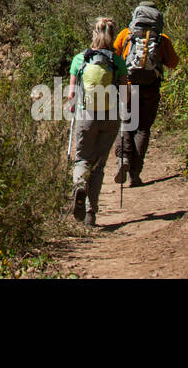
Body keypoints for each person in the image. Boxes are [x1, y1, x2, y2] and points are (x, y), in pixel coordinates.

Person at [67, 17, 127, 227]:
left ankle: (79, 185)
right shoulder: (117, 62)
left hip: (86, 116)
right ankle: (91, 215)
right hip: (109, 117)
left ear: (94, 33)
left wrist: (73, 106)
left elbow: (72, 94)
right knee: (99, 166)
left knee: (82, 158)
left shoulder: (79, 59)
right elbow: (125, 95)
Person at [113, 1, 178, 187]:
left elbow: (114, 56)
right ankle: (134, 174)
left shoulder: (127, 34)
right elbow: (173, 62)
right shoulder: (162, 38)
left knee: (126, 123)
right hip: (151, 87)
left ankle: (123, 160)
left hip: (128, 85)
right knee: (142, 129)